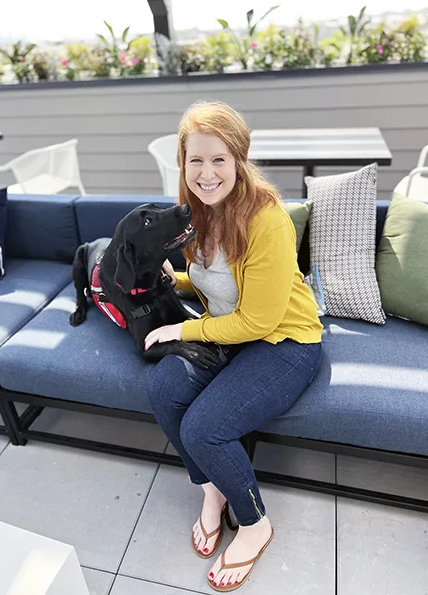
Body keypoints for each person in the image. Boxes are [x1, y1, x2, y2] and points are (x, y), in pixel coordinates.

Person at [144, 101, 323, 592]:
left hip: (283, 340)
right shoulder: (193, 213)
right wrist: (177, 280)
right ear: (183, 163)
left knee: (205, 427)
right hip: (230, 327)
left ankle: (255, 522)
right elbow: (217, 282)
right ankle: (211, 491)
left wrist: (182, 331)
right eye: (195, 160)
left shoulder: (268, 219)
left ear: (239, 159)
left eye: (219, 159)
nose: (206, 173)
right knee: (163, 389)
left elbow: (258, 318)